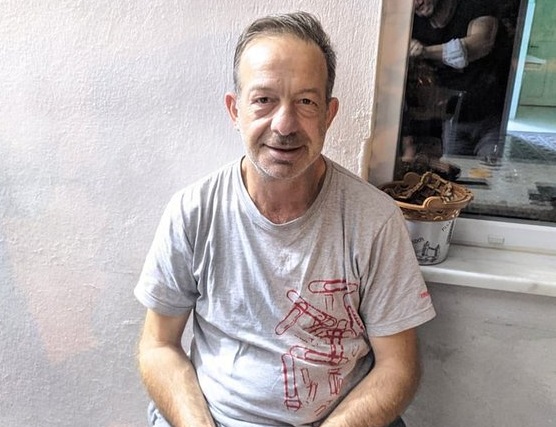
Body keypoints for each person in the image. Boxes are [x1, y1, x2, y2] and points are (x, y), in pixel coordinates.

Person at [134, 11, 436, 427]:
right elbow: (158, 346)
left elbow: (398, 367)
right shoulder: (193, 212)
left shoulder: (374, 220)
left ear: (329, 114)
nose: (284, 124)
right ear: (235, 110)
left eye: (306, 102)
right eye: (264, 100)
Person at [406, 0, 512, 160]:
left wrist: (425, 52)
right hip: (454, 117)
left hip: (493, 118)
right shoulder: (413, 24)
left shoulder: (475, 6)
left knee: (491, 169)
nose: (417, 2)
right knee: (455, 170)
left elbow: (479, 44)